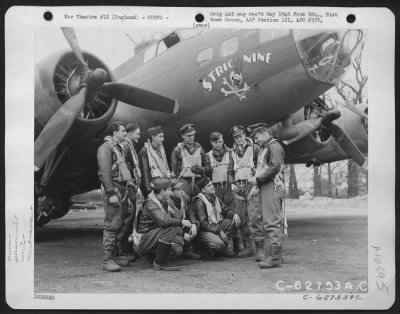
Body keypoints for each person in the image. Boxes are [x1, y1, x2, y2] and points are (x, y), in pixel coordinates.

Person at [247, 123, 286, 269]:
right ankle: (276, 255)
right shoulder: (266, 147)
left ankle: (275, 258)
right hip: (267, 186)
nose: (255, 141)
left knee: (271, 221)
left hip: (272, 186)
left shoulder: (273, 147)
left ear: (264, 133)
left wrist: (257, 179)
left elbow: (275, 167)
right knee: (271, 221)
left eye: (256, 137)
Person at [97, 122, 133, 272]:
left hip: (122, 189)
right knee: (112, 225)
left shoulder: (119, 148)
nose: (126, 133)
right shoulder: (105, 149)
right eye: (123, 131)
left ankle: (116, 256)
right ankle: (107, 260)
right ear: (114, 133)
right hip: (114, 191)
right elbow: (104, 173)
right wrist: (111, 193)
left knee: (120, 224)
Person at [136, 178, 193, 271]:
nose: (171, 193)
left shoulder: (163, 202)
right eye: (169, 190)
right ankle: (160, 262)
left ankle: (153, 256)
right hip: (143, 239)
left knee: (177, 249)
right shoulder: (151, 203)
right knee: (169, 228)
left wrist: (182, 234)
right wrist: (181, 222)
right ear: (162, 191)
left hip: (152, 236)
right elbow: (164, 221)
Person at [229, 125, 260, 258]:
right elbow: (230, 170)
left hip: (251, 185)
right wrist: (232, 184)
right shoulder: (232, 151)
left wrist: (257, 183)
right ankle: (248, 247)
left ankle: (260, 248)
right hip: (239, 186)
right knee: (241, 218)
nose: (239, 139)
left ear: (245, 135)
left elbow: (261, 166)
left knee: (254, 217)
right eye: (236, 137)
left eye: (240, 136)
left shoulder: (255, 148)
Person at [193, 176, 240, 258]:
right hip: (204, 231)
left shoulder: (214, 198)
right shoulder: (199, 202)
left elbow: (225, 210)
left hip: (216, 226)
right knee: (218, 245)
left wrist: (234, 215)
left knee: (235, 221)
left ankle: (222, 249)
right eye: (209, 185)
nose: (212, 187)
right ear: (203, 190)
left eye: (212, 184)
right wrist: (219, 231)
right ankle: (207, 250)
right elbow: (203, 224)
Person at [119, 122, 142, 262]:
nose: (139, 135)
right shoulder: (126, 146)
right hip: (129, 187)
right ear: (129, 133)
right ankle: (121, 249)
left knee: (131, 218)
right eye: (137, 133)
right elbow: (123, 166)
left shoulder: (130, 145)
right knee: (127, 218)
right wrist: (130, 182)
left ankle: (126, 248)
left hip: (132, 185)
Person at [171, 123, 210, 199]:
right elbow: (174, 171)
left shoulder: (200, 148)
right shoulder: (177, 150)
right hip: (184, 183)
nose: (191, 137)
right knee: (185, 206)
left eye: (193, 135)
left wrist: (202, 169)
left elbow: (208, 167)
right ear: (183, 136)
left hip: (198, 183)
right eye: (188, 136)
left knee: (198, 204)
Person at [169, 179, 201, 260]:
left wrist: (193, 224)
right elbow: (169, 223)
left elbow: (190, 212)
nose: (182, 191)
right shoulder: (168, 203)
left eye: (181, 189)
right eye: (179, 189)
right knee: (177, 250)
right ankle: (166, 255)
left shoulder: (183, 199)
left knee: (196, 223)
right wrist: (183, 234)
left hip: (180, 226)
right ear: (172, 191)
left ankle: (187, 250)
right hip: (172, 230)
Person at [139, 126, 171, 199]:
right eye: (160, 136)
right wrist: (148, 191)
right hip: (153, 188)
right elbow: (144, 173)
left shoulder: (161, 150)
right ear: (153, 137)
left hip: (162, 187)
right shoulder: (144, 151)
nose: (163, 139)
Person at [206, 132, 235, 208]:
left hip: (229, 186)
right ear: (211, 143)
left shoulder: (230, 153)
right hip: (216, 188)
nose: (218, 144)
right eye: (216, 142)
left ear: (223, 141)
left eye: (220, 142)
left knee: (233, 209)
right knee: (219, 209)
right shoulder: (208, 156)